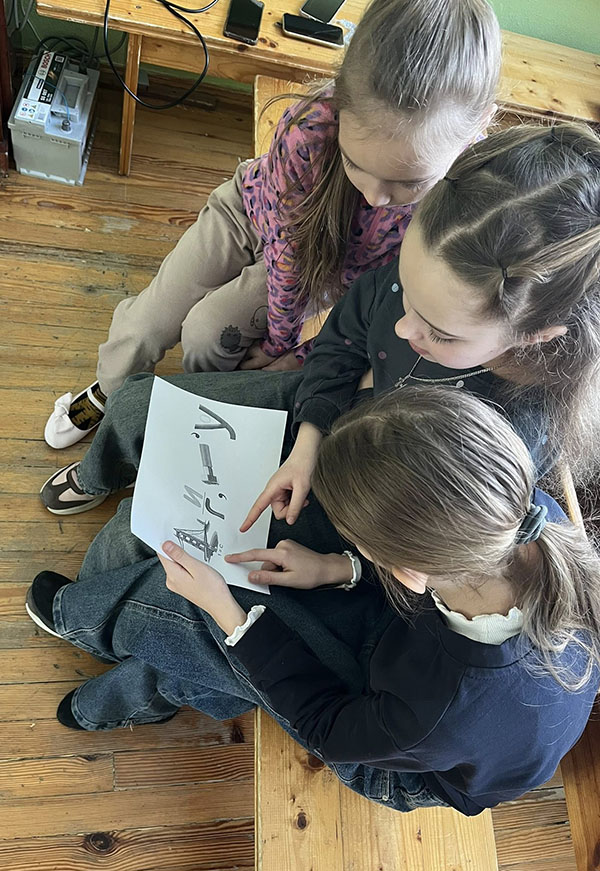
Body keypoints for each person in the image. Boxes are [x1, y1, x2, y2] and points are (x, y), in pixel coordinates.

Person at [26, 387, 600, 816]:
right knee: (230, 648)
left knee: (203, 621)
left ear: (406, 570)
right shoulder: (524, 516)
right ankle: (148, 687)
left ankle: (82, 623)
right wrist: (339, 567)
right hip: (425, 678)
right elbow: (435, 585)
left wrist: (229, 615)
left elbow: (326, 725)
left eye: (363, 545)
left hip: (396, 756)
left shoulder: (440, 708)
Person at [39, 122, 600, 517]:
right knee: (140, 400)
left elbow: (407, 528)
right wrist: (310, 434)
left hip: (358, 489)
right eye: (406, 296)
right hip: (324, 416)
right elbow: (348, 331)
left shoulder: (509, 434)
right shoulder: (436, 272)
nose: (402, 328)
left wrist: (335, 556)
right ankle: (111, 450)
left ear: (536, 336)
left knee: (138, 534)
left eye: (440, 332)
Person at [42, 0, 501, 450]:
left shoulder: (468, 197)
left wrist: (296, 355)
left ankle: (196, 411)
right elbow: (287, 257)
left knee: (207, 335)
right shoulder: (309, 127)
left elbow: (377, 305)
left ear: (475, 127)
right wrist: (280, 342)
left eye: (409, 182)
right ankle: (109, 389)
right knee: (147, 322)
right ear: (341, 103)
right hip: (249, 214)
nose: (375, 197)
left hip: (325, 267)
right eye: (355, 164)